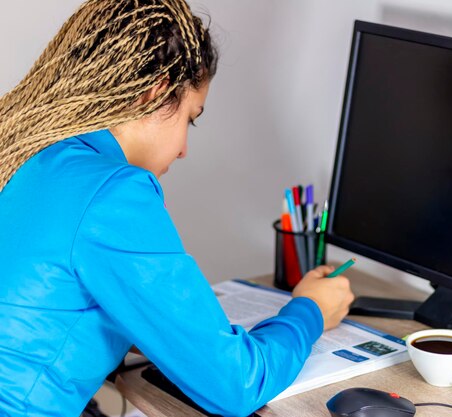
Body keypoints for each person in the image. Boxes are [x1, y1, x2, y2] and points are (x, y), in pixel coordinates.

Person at [0, 1, 355, 416]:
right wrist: (311, 310)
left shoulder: (33, 156)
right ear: (156, 92)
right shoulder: (112, 193)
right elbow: (237, 386)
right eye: (191, 117)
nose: (185, 149)